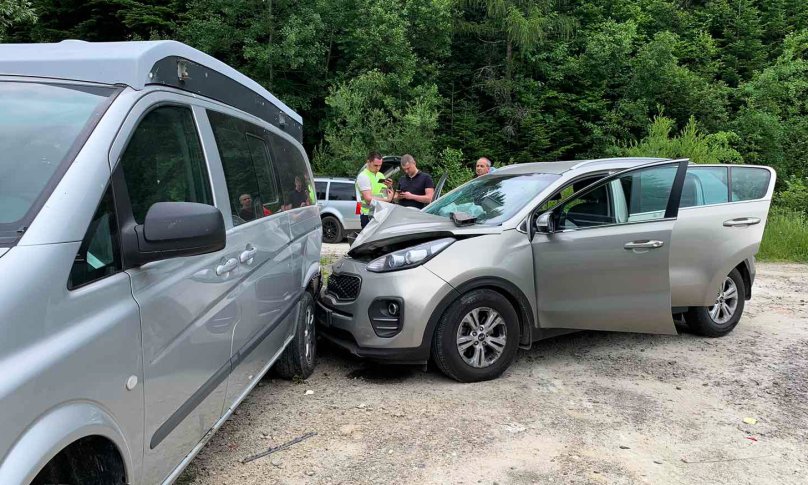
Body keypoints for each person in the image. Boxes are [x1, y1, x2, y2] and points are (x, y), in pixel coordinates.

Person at [355, 151, 394, 228]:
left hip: (379, 213)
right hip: (367, 214)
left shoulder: (381, 175)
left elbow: (384, 194)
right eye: (375, 165)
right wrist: (387, 200)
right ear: (368, 162)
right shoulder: (363, 176)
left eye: (380, 165)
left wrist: (389, 187)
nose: (378, 168)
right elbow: (368, 199)